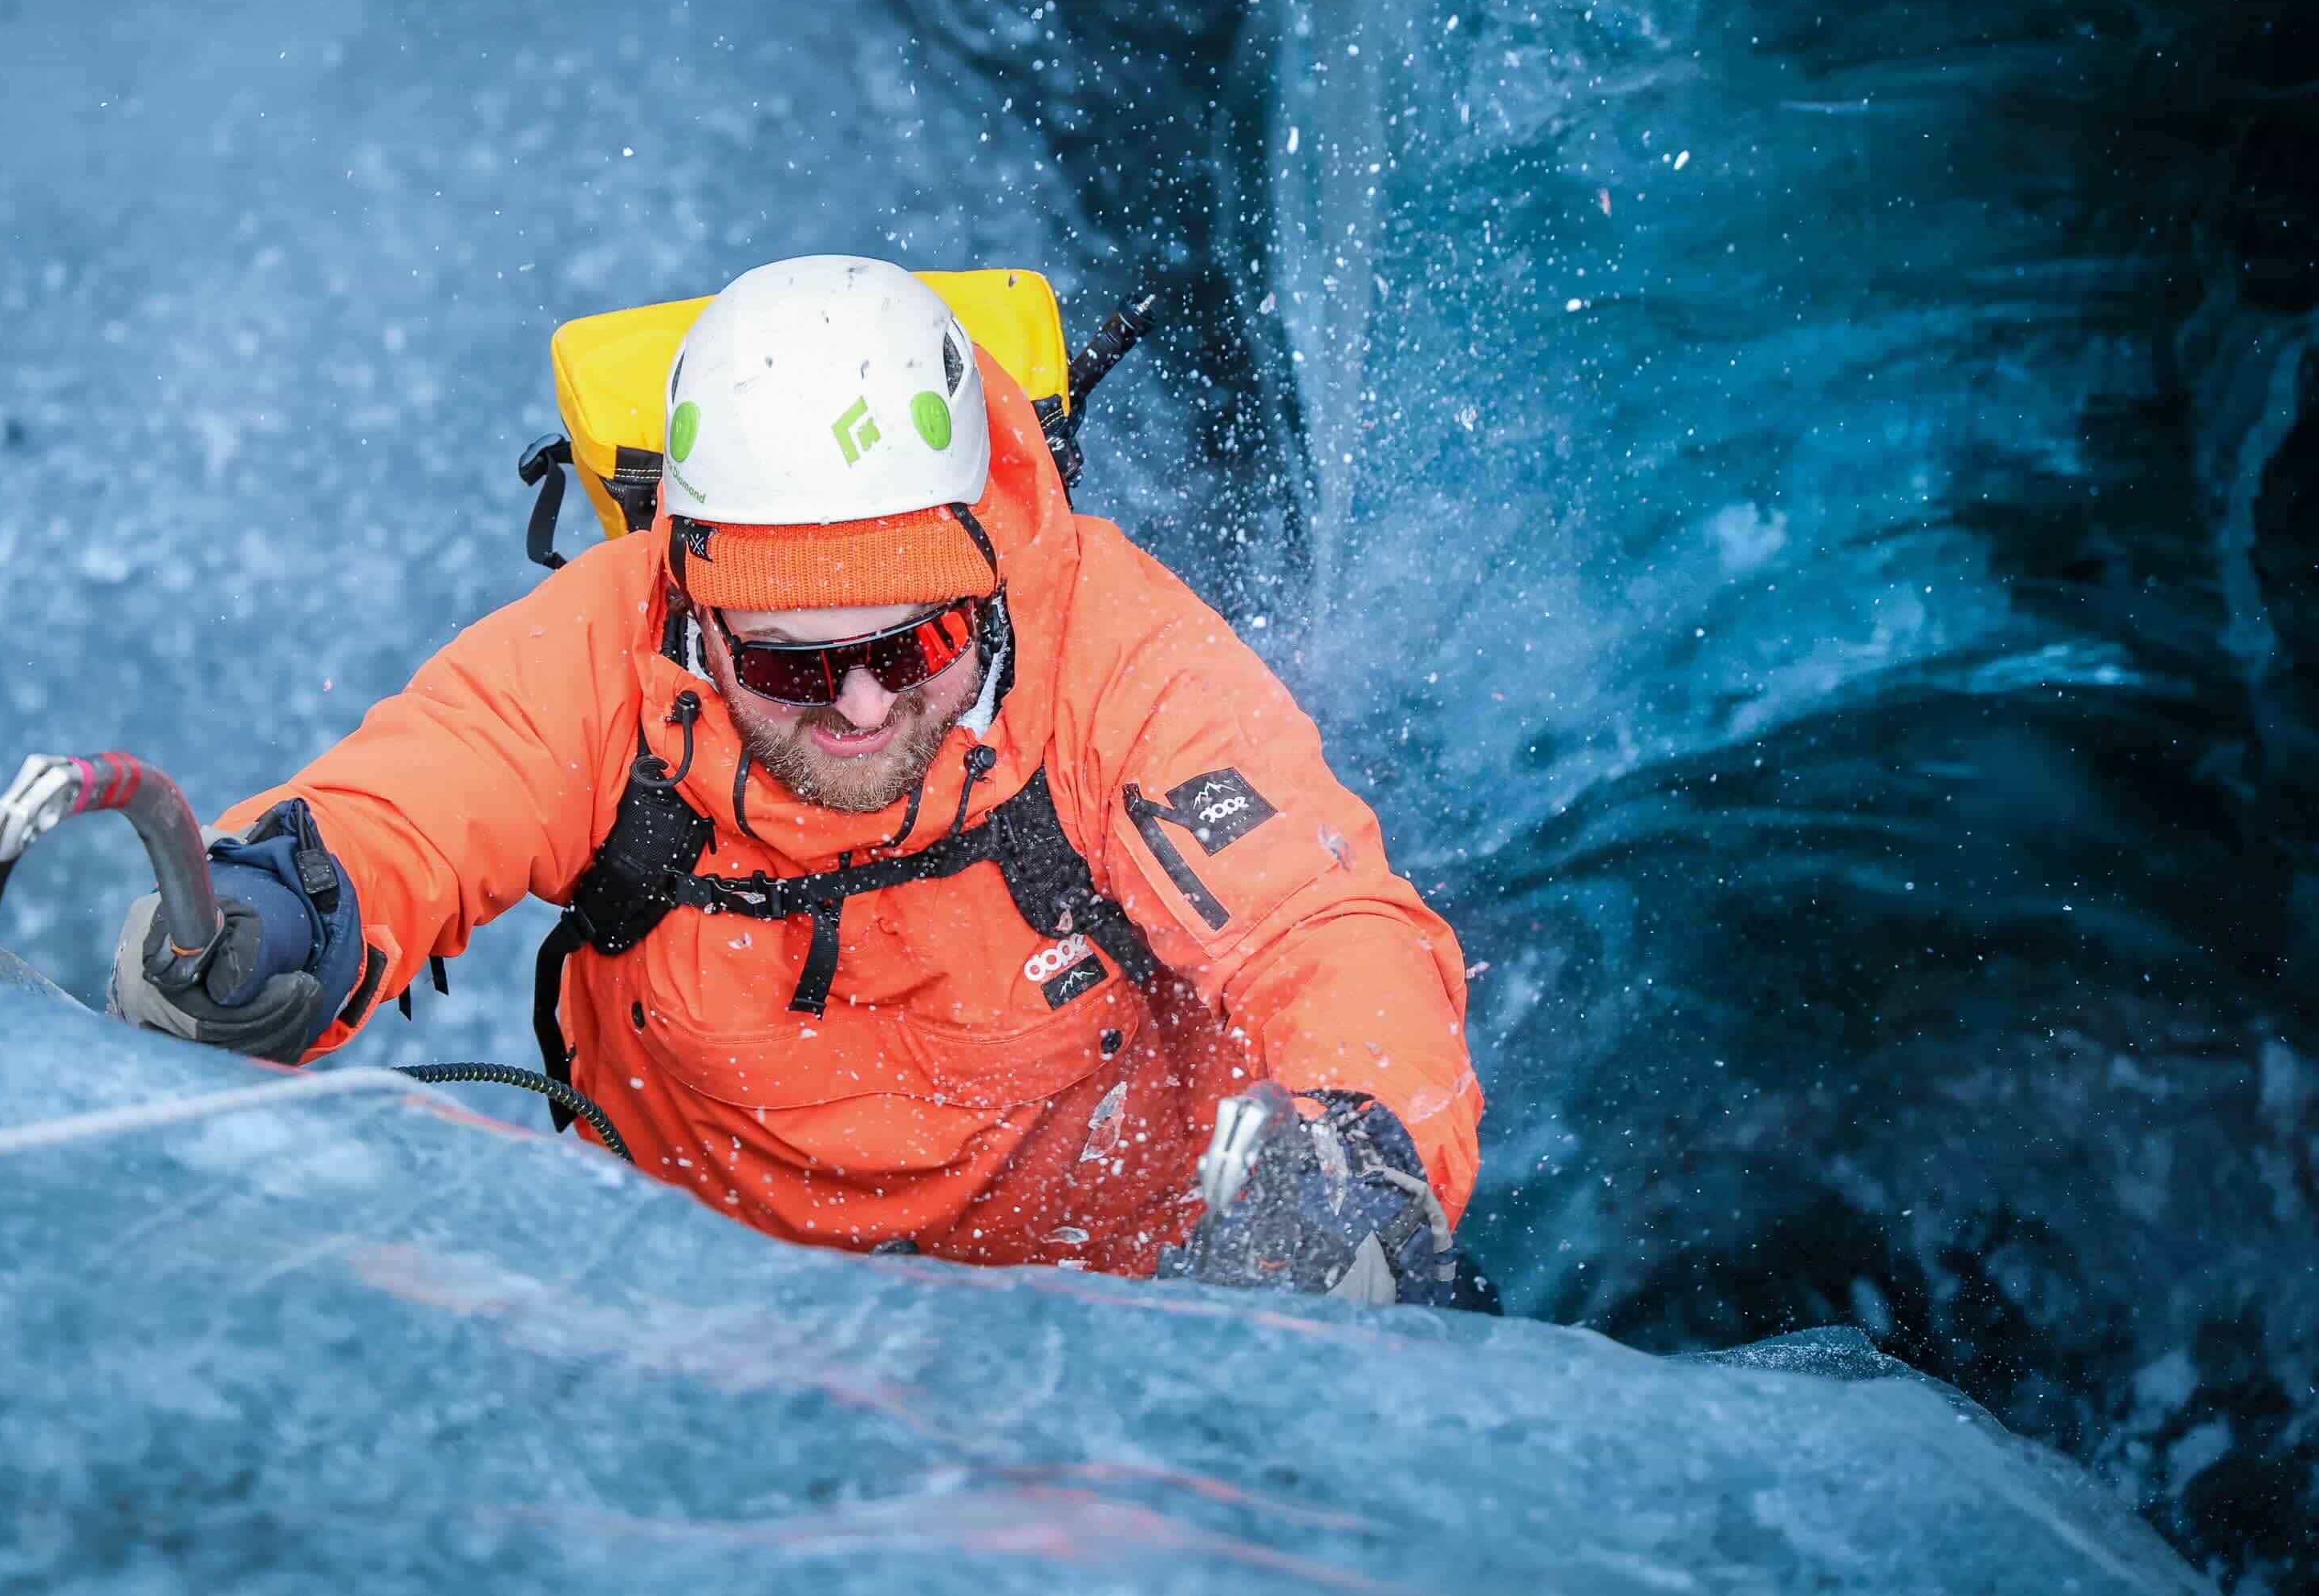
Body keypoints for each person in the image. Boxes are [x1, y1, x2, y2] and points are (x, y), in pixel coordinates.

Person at [110, 256, 1482, 1303]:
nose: (866, 704)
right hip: (706, 1335)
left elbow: (1328, 929)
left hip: (1132, 1337)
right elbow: (418, 796)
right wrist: (275, 911)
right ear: (699, 614)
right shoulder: (608, 642)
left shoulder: (1123, 654)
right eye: (795, 667)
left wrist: (1358, 1156)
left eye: (919, 640)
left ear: (989, 571)